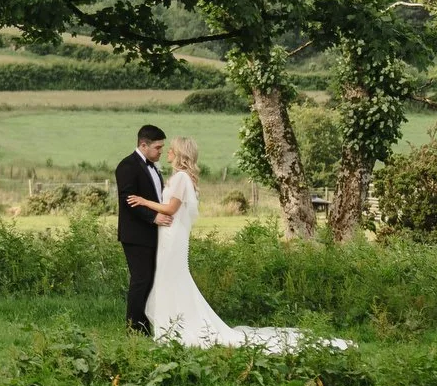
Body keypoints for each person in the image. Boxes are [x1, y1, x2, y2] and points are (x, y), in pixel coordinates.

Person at [135, 137, 348, 349]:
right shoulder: (180, 177)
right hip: (168, 233)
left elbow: (171, 209)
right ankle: (172, 326)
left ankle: (179, 327)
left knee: (172, 277)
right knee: (169, 278)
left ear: (180, 153)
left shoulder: (181, 178)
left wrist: (144, 202)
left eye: (171, 149)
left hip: (173, 236)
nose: (168, 152)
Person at [113, 123, 167, 333]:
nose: (161, 151)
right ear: (144, 145)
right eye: (158, 148)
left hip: (153, 234)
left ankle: (143, 324)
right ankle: (133, 327)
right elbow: (129, 200)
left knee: (150, 280)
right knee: (141, 280)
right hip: (135, 234)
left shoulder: (153, 166)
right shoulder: (127, 166)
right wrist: (154, 217)